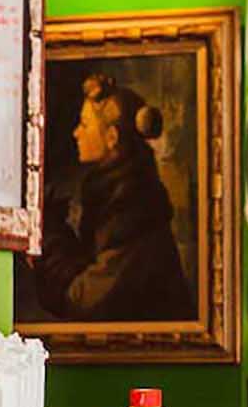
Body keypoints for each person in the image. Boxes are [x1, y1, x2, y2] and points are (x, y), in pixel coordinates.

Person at [33, 73, 194, 321]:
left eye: (85, 124)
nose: (76, 133)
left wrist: (51, 235)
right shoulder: (114, 193)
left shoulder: (134, 207)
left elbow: (82, 300)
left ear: (111, 138)